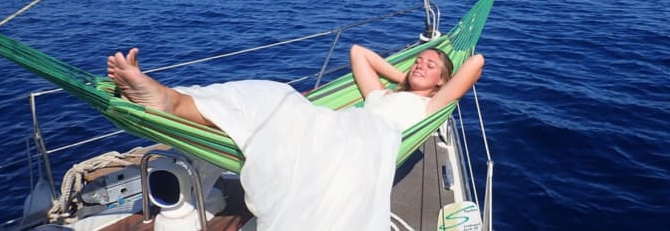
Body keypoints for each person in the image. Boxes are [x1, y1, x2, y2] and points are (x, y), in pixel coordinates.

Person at [107, 44, 484, 230]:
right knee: (276, 96)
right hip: (339, 124)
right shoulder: (381, 95)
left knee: (279, 110)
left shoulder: (432, 108)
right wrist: (403, 79)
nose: (420, 63)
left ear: (442, 83)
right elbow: (358, 53)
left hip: (371, 136)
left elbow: (476, 63)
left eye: (430, 65)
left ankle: (170, 100)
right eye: (419, 60)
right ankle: (168, 99)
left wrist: (422, 85)